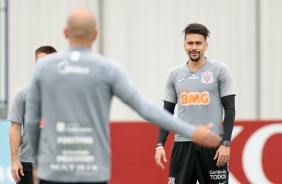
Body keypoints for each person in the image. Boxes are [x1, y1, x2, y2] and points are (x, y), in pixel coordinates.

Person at [25, 9, 220, 184]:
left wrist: (36, 163)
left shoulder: (44, 68)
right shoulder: (108, 69)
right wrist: (191, 131)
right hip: (93, 170)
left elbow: (32, 120)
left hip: (52, 169)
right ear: (95, 34)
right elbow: (144, 108)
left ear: (66, 33)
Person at [154, 23, 236, 184]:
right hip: (183, 145)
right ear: (184, 45)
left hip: (212, 144)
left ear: (206, 45)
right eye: (190, 43)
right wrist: (159, 144)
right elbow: (167, 113)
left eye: (198, 43)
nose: (194, 47)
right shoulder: (174, 74)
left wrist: (226, 143)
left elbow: (230, 109)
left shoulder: (220, 70)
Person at [8, 45, 57, 184]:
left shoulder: (66, 94)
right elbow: (15, 127)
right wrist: (14, 159)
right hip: (27, 164)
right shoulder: (22, 94)